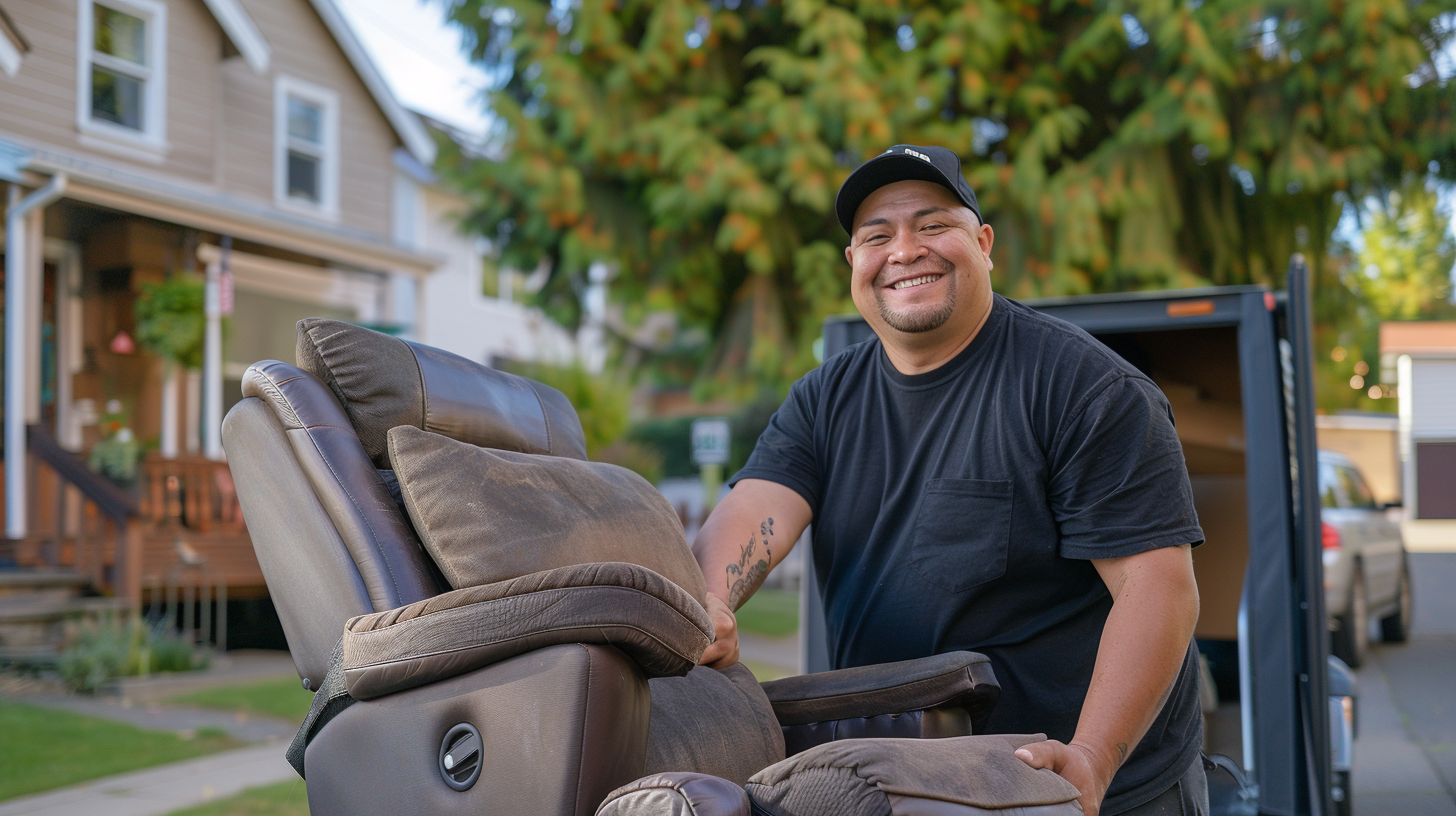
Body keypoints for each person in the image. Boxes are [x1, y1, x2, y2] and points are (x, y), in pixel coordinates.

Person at [691, 145, 1207, 816]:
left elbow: (1157, 588)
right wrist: (708, 601)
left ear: (984, 244)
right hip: (907, 785)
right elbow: (758, 504)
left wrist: (1092, 757)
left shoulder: (1084, 389)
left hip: (1076, 788)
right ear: (855, 264)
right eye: (877, 236)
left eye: (933, 226)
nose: (905, 250)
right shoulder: (823, 400)